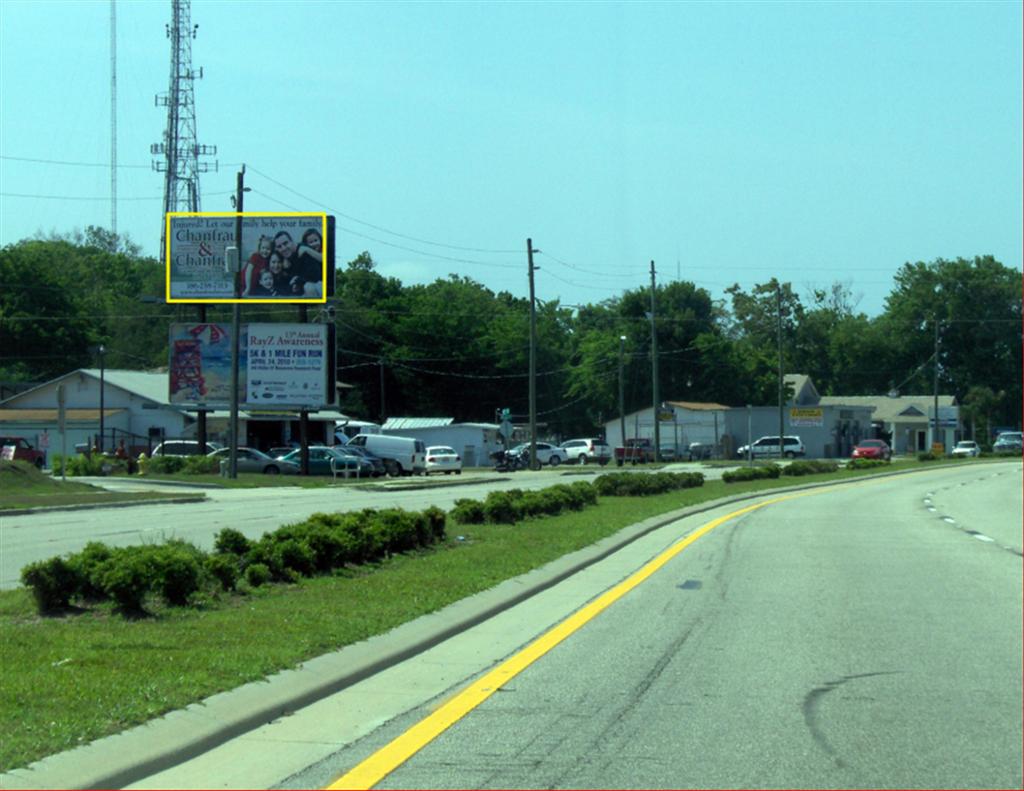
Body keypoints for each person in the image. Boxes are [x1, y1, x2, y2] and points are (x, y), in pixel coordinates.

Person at [273, 230, 322, 298]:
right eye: (279, 246)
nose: (283, 248)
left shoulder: (303, 250)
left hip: (319, 285)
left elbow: (314, 275)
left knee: (308, 287)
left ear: (292, 241)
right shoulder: (282, 256)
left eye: (285, 243)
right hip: (300, 287)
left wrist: (297, 280)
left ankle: (314, 308)